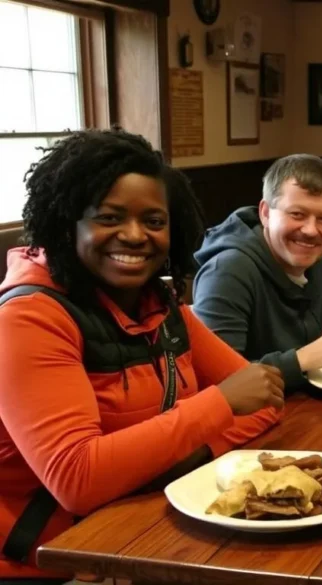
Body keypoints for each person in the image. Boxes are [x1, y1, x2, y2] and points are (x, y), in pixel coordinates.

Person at [0, 129, 284, 581]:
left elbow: (265, 399)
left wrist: (158, 462)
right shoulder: (29, 318)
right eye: (110, 218)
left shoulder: (161, 305)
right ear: (68, 222)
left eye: (154, 222)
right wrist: (217, 406)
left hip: (147, 525)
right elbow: (77, 479)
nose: (134, 236)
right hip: (51, 564)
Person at [191, 154, 322, 392]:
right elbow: (220, 383)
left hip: (303, 408)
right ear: (265, 213)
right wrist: (300, 360)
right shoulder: (226, 272)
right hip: (249, 422)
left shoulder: (320, 262)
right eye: (297, 214)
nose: (310, 230)